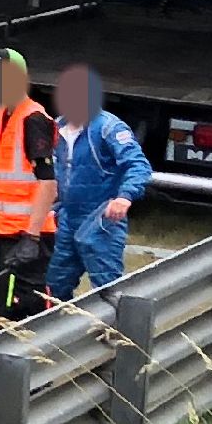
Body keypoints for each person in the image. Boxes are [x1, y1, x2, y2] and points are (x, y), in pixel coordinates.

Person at [48, 63, 152, 301]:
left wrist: (124, 197)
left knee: (107, 287)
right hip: (66, 217)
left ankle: (112, 334)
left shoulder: (108, 127)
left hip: (101, 218)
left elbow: (138, 165)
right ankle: (58, 335)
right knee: (53, 286)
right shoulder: (57, 128)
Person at [0, 49, 58, 321]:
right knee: (4, 309)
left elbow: (48, 182)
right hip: (3, 234)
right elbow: (1, 177)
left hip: (28, 236)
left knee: (26, 310)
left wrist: (31, 238)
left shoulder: (33, 119)